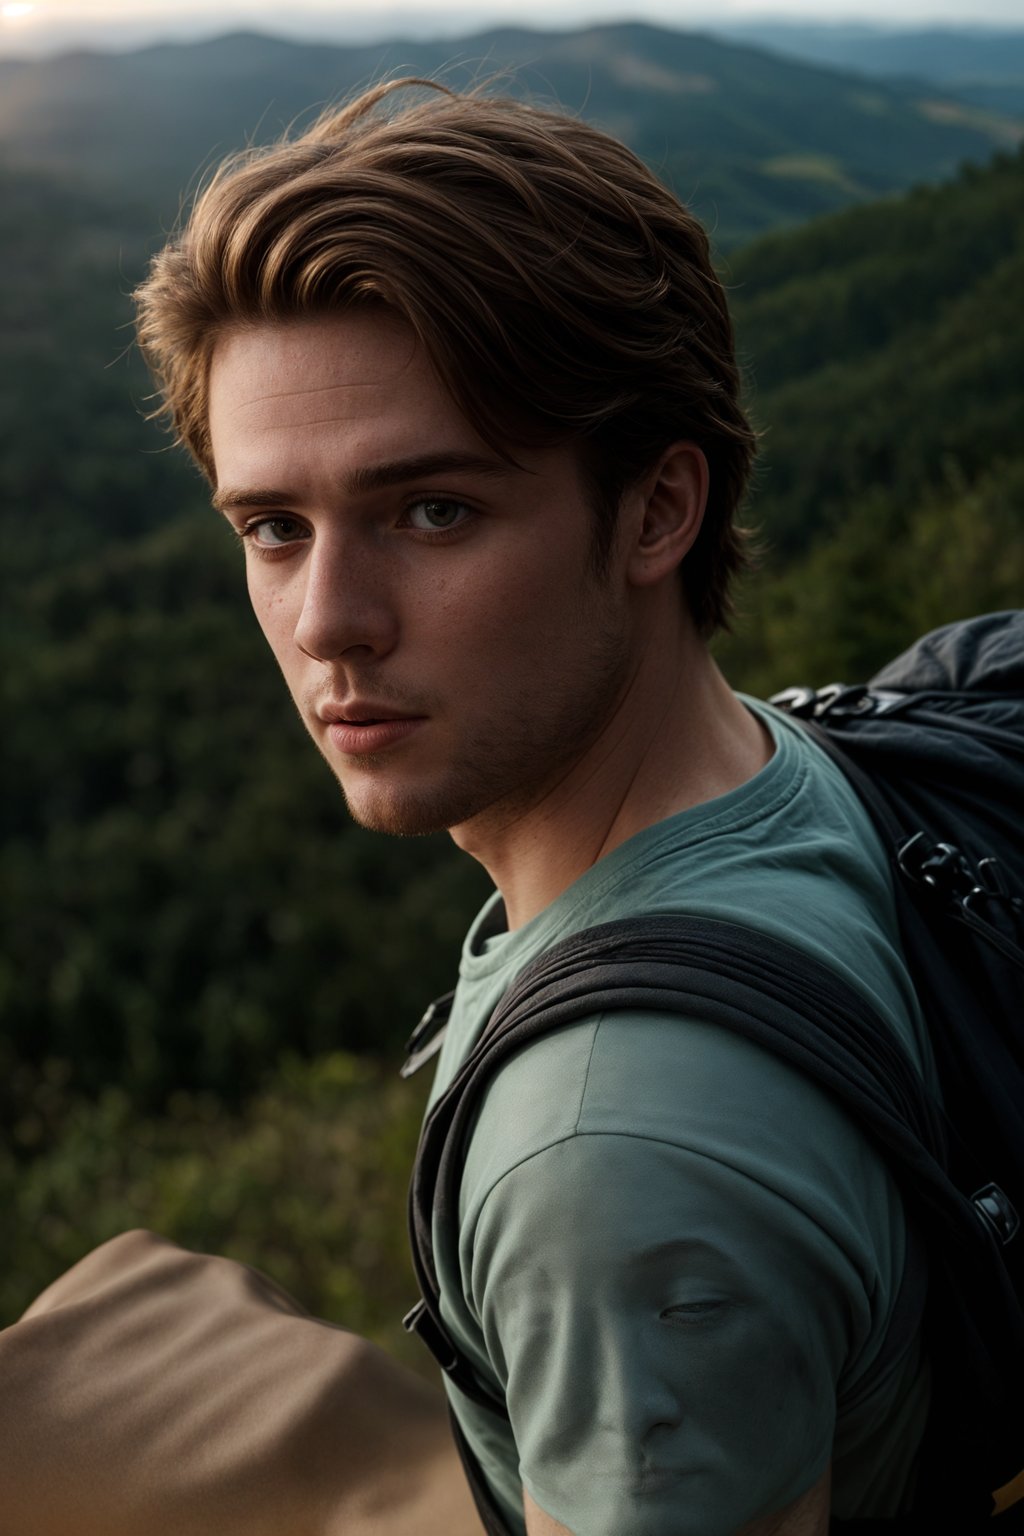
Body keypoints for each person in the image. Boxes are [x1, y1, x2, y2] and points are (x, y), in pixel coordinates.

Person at [132, 79, 934, 1536]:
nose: (330, 623)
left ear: (656, 510)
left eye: (433, 510)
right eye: (272, 527)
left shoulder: (609, 1168)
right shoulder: (781, 772)